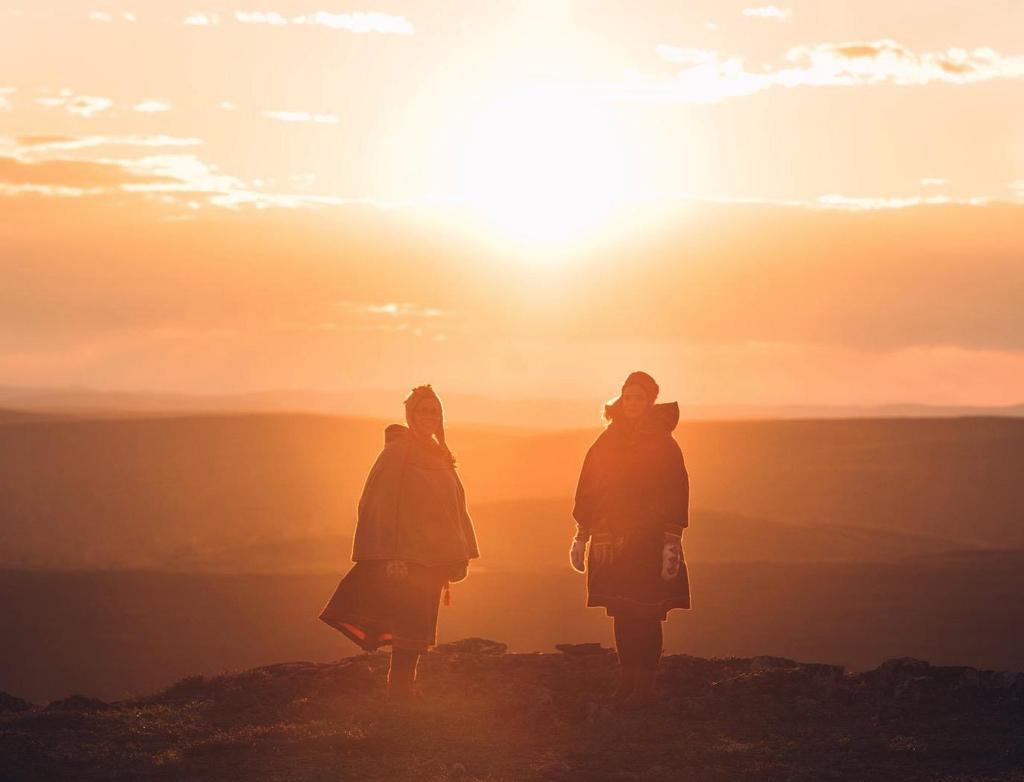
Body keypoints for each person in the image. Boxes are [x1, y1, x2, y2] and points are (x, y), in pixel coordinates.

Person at [319, 385, 480, 700]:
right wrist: (390, 555)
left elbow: (455, 507)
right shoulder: (398, 452)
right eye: (423, 411)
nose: (429, 417)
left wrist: (460, 551)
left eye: (434, 411)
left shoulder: (438, 453)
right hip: (407, 558)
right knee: (409, 622)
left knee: (419, 625)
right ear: (411, 415)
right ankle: (400, 694)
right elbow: (379, 503)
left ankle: (403, 691)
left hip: (433, 558)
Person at [570, 371, 690, 707]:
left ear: (650, 401)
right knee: (623, 612)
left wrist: (671, 540)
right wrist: (583, 532)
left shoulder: (664, 444)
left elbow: (676, 491)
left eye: (639, 397)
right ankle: (627, 682)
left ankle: (645, 686)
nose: (632, 403)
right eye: (628, 397)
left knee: (647, 614)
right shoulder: (607, 440)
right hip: (613, 540)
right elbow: (589, 487)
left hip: (650, 542)